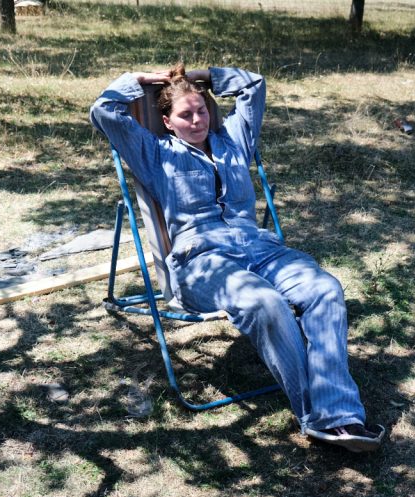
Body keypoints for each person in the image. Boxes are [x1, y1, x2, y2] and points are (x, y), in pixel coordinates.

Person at [90, 63, 385, 453]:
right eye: (185, 115)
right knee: (263, 302)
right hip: (203, 264)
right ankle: (325, 417)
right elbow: (104, 111)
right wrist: (140, 81)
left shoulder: (234, 140)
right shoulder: (153, 153)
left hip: (260, 249)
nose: (197, 120)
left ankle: (337, 417)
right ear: (167, 121)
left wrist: (199, 75)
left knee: (325, 289)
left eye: (201, 111)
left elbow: (253, 86)